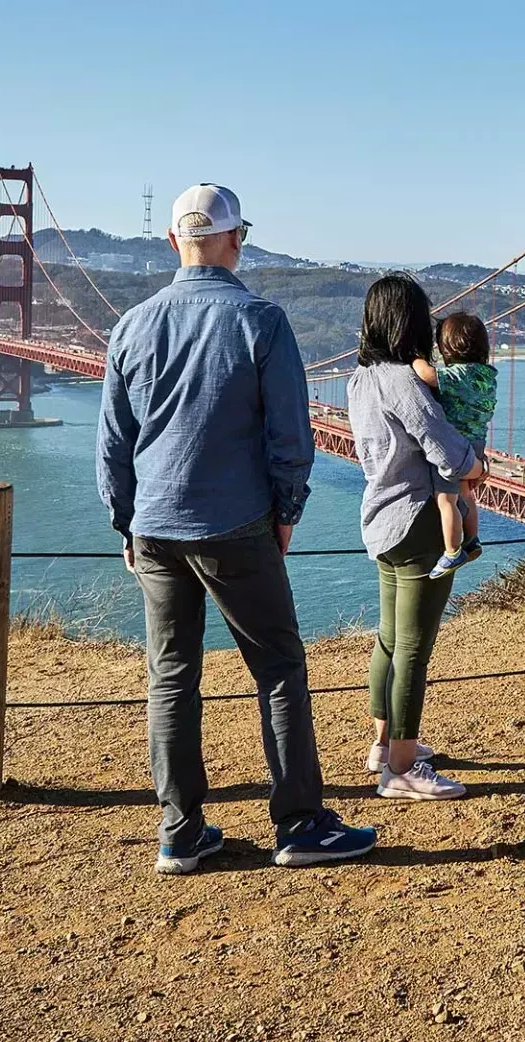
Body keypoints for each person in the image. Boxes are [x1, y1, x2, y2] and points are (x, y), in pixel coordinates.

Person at [96, 183, 375, 873]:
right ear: (236, 240)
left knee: (171, 676)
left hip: (156, 526)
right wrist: (287, 512)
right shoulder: (261, 319)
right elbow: (291, 433)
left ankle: (180, 833)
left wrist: (125, 524)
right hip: (235, 522)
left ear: (172, 242)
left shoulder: (131, 325)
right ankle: (300, 825)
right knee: (278, 667)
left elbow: (112, 443)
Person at [347, 273, 483, 800]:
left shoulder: (359, 379)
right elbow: (446, 449)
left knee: (389, 638)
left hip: (382, 521)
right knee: (413, 649)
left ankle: (384, 743)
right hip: (420, 521)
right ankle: (402, 769)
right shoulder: (404, 381)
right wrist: (481, 465)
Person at [415, 312, 498, 579]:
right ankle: (472, 539)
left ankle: (452, 551)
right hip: (477, 444)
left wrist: (413, 357)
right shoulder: (488, 376)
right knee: (466, 494)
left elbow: (426, 374)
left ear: (449, 347)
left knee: (446, 500)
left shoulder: (456, 376)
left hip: (455, 445)